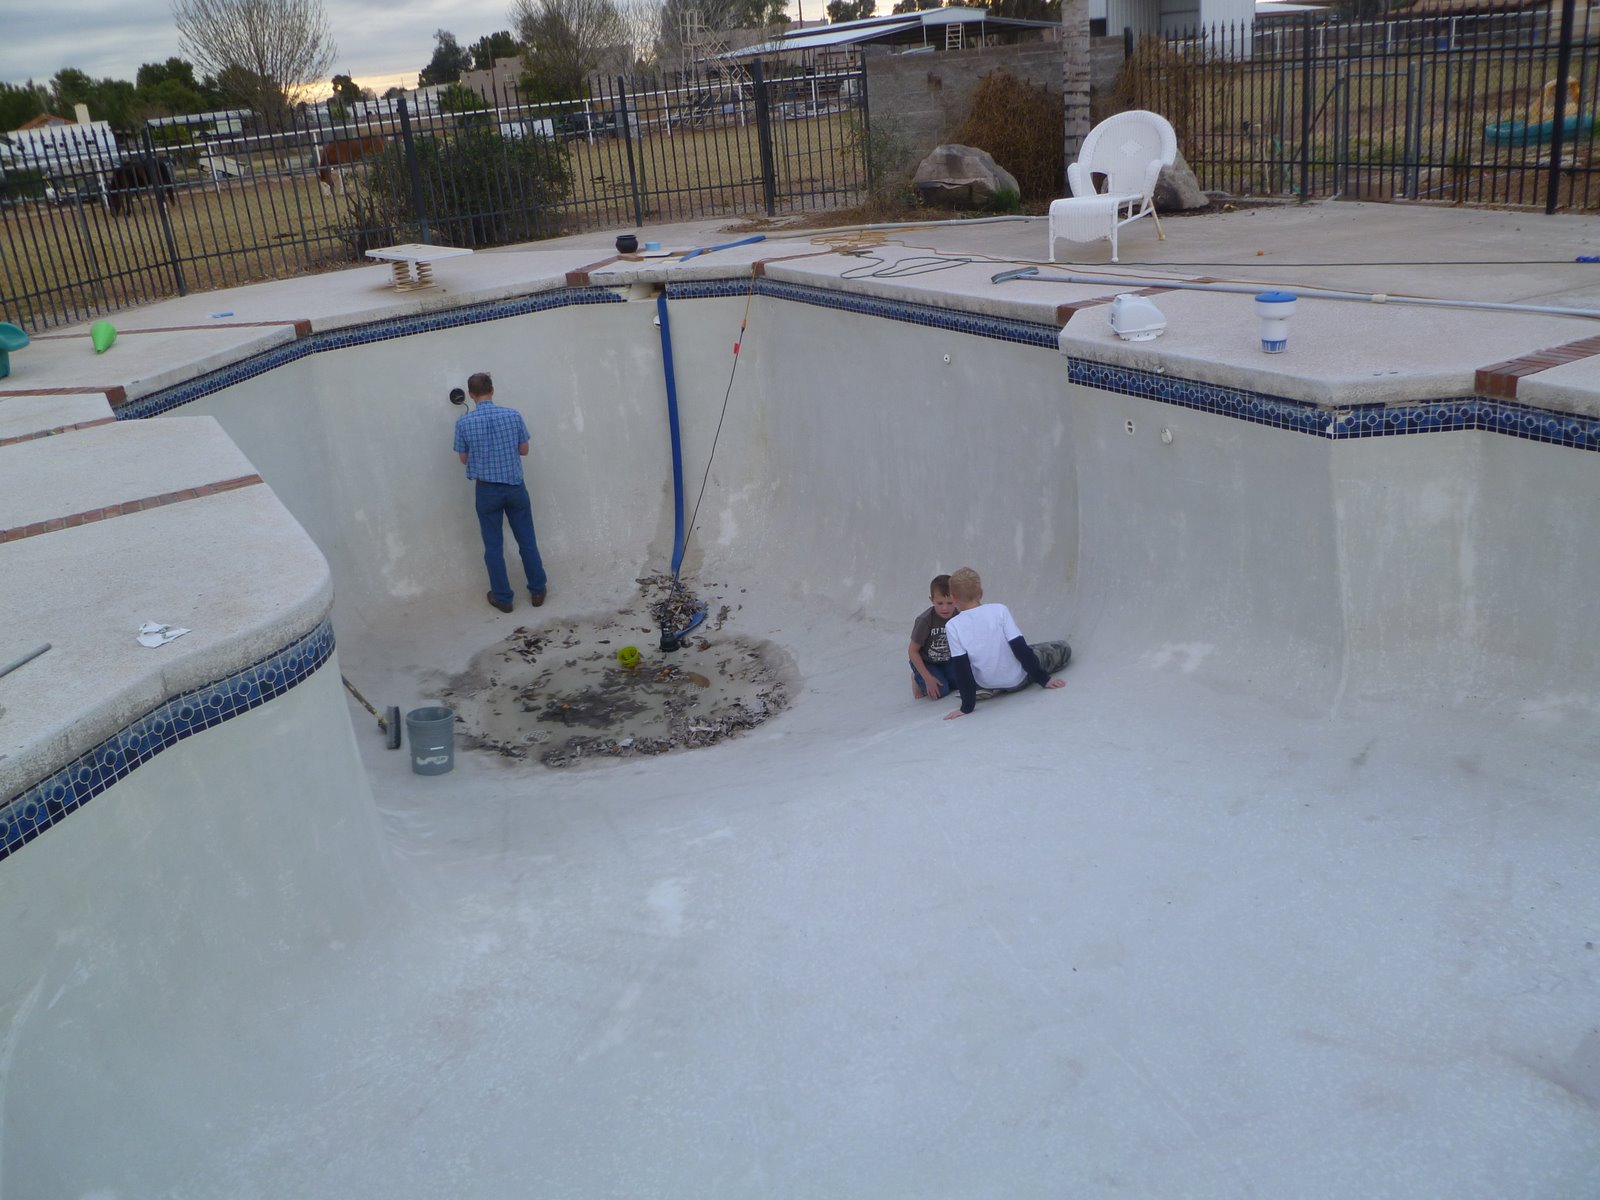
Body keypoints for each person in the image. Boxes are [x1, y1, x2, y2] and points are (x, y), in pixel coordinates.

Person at [452, 372, 548, 613]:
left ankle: (503, 598)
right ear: (492, 390)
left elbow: (464, 459)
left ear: (471, 395)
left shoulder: (464, 423)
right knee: (527, 541)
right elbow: (524, 450)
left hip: (487, 491)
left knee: (493, 547)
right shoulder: (512, 415)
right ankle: (537, 590)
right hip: (515, 487)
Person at [941, 567, 1070, 720]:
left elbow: (961, 667)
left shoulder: (952, 626)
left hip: (986, 682)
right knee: (1062, 647)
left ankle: (991, 689)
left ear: (954, 598)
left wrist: (966, 707)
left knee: (978, 664)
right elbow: (1020, 649)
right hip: (1018, 680)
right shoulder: (999, 610)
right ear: (981, 593)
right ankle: (1010, 681)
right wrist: (1044, 680)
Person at [909, 574, 960, 700]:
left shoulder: (959, 616)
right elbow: (912, 651)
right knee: (940, 692)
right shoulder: (925, 621)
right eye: (940, 603)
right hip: (927, 661)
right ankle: (917, 677)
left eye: (950, 603)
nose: (945, 607)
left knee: (962, 683)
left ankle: (943, 675)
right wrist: (927, 677)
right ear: (932, 600)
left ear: (956, 600)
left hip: (947, 660)